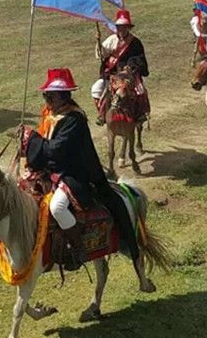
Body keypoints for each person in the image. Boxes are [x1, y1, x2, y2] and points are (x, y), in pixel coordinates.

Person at [21, 68, 140, 271]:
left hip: (72, 174)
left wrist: (31, 139)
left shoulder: (74, 119)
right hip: (50, 170)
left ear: (63, 97)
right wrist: (26, 139)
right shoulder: (50, 114)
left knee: (57, 207)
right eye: (45, 95)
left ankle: (77, 249)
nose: (47, 100)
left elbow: (55, 150)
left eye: (50, 96)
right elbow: (44, 144)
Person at [92, 9, 149, 126]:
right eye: (119, 27)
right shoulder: (111, 40)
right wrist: (98, 42)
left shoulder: (135, 42)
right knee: (96, 89)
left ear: (128, 27)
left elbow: (140, 59)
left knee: (140, 90)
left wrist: (131, 66)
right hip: (112, 73)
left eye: (123, 27)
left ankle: (140, 114)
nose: (121, 29)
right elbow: (102, 55)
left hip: (129, 74)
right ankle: (102, 114)